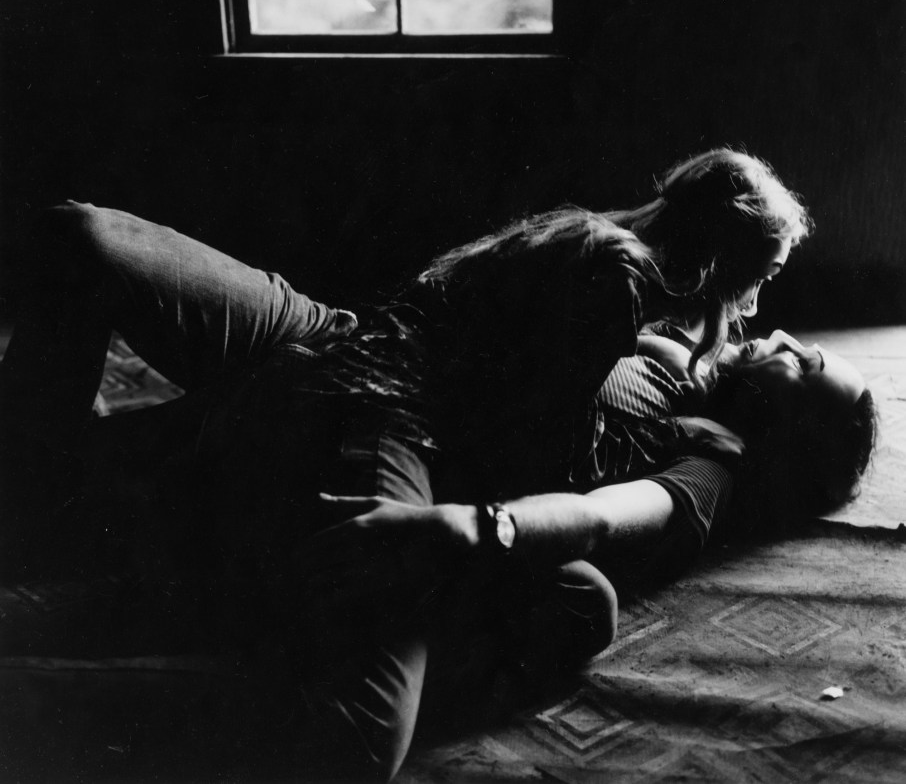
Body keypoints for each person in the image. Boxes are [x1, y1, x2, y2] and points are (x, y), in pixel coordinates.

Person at [0, 148, 817, 780]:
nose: (771, 321)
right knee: (357, 738)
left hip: (367, 348)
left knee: (83, 235)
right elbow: (520, 454)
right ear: (724, 261)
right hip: (381, 390)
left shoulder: (616, 266)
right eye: (766, 279)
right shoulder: (621, 284)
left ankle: (106, 521)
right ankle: (36, 663)